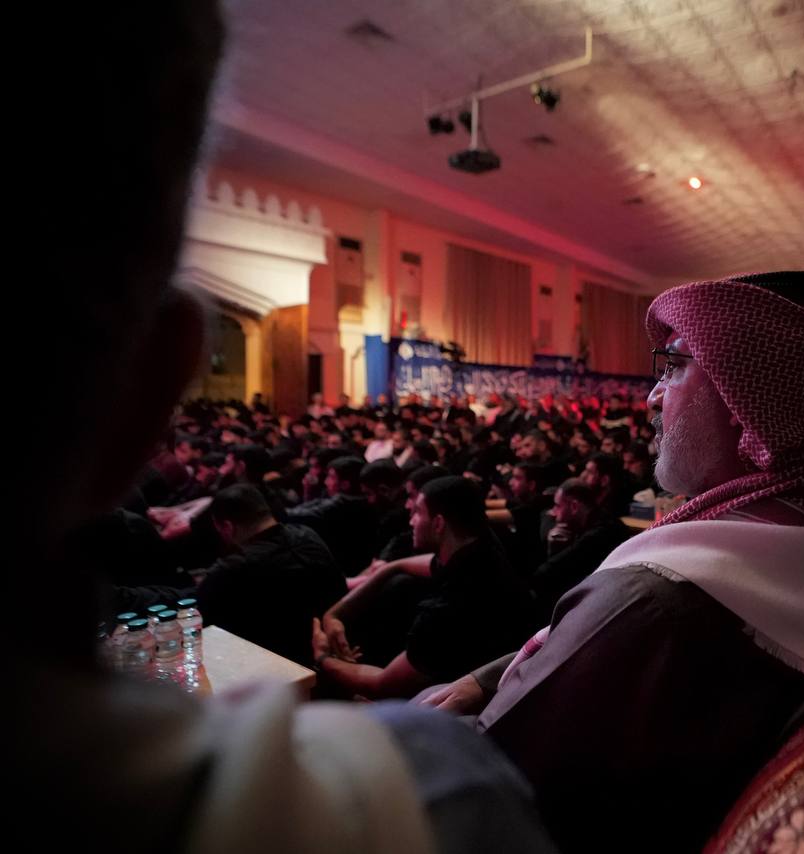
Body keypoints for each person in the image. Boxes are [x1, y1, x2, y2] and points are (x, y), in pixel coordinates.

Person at [14, 6, 555, 852]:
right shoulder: (439, 800)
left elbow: (390, 673)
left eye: (419, 507)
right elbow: (397, 572)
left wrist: (323, 640)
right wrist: (345, 600)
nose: (406, 514)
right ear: (153, 392)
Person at [423, 271, 804, 853]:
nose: (651, 397)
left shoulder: (661, 598)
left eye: (672, 367)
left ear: (754, 406)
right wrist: (483, 679)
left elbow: (479, 784)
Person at [315, 477, 533, 698]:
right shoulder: (481, 545)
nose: (411, 521)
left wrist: (323, 658)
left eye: (417, 512)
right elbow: (411, 565)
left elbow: (383, 685)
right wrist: (335, 614)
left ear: (438, 524)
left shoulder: (448, 608)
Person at [198, 484, 346, 665]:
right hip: (338, 653)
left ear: (227, 527)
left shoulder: (229, 571)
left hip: (279, 671)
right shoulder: (308, 534)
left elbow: (206, 632)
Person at [528, 478, 631, 621]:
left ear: (574, 506)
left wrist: (552, 549)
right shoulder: (595, 520)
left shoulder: (600, 533)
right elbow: (545, 514)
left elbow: (545, 574)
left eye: (558, 506)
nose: (555, 514)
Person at [287, 455, 379, 575]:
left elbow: (295, 516)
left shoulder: (344, 502)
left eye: (331, 477)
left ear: (345, 484)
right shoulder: (343, 498)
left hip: (343, 569)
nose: (326, 482)